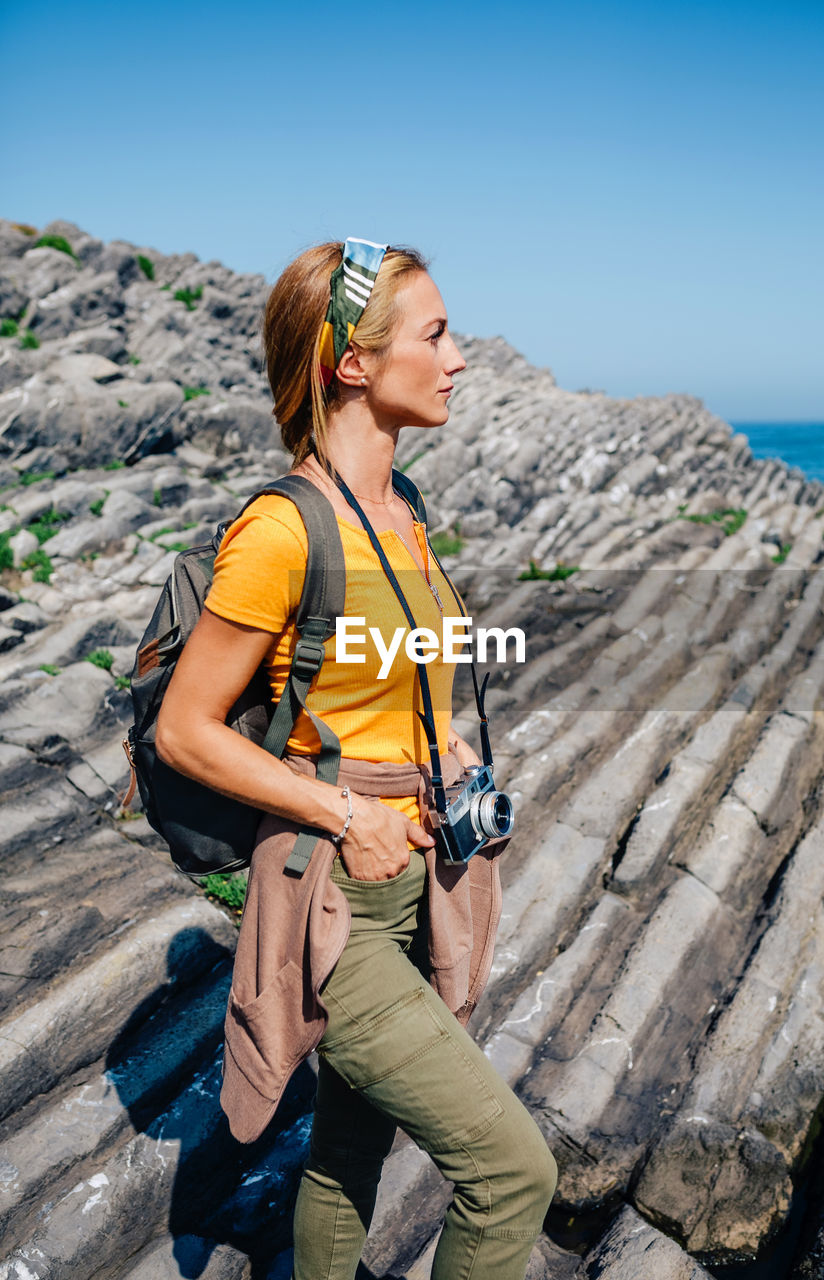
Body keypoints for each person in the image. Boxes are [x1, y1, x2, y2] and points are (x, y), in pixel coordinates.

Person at [156, 238, 557, 1280]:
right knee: (512, 1170)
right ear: (352, 366)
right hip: (332, 895)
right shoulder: (281, 532)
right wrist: (343, 812)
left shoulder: (403, 509)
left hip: (417, 869)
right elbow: (184, 728)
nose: (459, 356)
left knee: (344, 1146)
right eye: (433, 334)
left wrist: (443, 741)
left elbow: (379, 670)